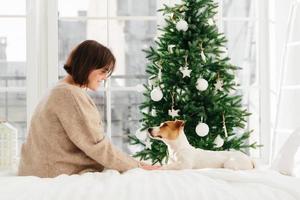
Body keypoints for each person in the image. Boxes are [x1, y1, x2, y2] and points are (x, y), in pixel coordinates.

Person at [18, 40, 159, 178]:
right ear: (88, 66)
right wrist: (137, 166)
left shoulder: (60, 88)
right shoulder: (69, 94)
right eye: (103, 71)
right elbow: (97, 145)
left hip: (37, 167)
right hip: (51, 171)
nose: (104, 78)